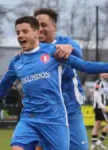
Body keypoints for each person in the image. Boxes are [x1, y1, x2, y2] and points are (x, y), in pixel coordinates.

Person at [0, 16, 108, 150]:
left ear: (36, 33)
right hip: (29, 118)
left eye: (25, 31)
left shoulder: (53, 52)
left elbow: (86, 66)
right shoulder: (16, 62)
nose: (20, 35)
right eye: (18, 32)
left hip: (55, 119)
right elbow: (0, 91)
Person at [33, 8, 88, 150]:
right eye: (37, 25)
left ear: (54, 27)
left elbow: (77, 50)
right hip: (45, 112)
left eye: (44, 25)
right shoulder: (31, 51)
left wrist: (69, 48)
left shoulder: (64, 42)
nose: (40, 29)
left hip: (71, 110)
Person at [91, 73, 108, 150]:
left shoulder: (106, 83)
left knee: (97, 124)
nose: (107, 74)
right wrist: (102, 106)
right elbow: (96, 95)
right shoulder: (98, 83)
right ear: (101, 74)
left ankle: (94, 144)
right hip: (100, 107)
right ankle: (99, 142)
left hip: (102, 107)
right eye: (105, 73)